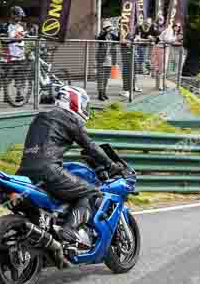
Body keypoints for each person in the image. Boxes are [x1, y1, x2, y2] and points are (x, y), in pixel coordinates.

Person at [16, 86, 123, 266]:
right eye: (84, 104)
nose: (85, 108)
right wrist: (111, 165)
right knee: (92, 193)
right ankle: (68, 231)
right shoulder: (69, 119)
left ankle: (48, 233)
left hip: (24, 173)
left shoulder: (39, 117)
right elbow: (90, 146)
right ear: (74, 102)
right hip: (48, 171)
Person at [0, 6, 27, 105]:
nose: (20, 18)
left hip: (20, 55)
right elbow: (3, 40)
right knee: (6, 78)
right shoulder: (5, 26)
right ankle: (6, 95)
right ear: (12, 15)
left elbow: (24, 38)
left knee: (20, 76)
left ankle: (19, 94)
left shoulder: (22, 26)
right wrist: (14, 39)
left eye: (21, 16)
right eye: (18, 16)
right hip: (8, 56)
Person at [95, 20, 119, 101]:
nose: (110, 29)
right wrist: (106, 31)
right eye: (108, 27)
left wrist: (120, 30)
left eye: (110, 27)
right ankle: (100, 93)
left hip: (109, 59)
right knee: (100, 77)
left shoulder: (112, 36)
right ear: (105, 28)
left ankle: (104, 92)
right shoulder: (102, 34)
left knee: (106, 77)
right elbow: (100, 38)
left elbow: (118, 39)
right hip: (101, 58)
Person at [149, 14, 166, 79]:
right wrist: (152, 38)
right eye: (159, 19)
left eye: (161, 19)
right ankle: (154, 72)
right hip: (155, 44)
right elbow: (149, 34)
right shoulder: (153, 25)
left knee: (161, 60)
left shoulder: (165, 27)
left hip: (162, 46)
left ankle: (160, 73)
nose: (160, 20)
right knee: (153, 59)